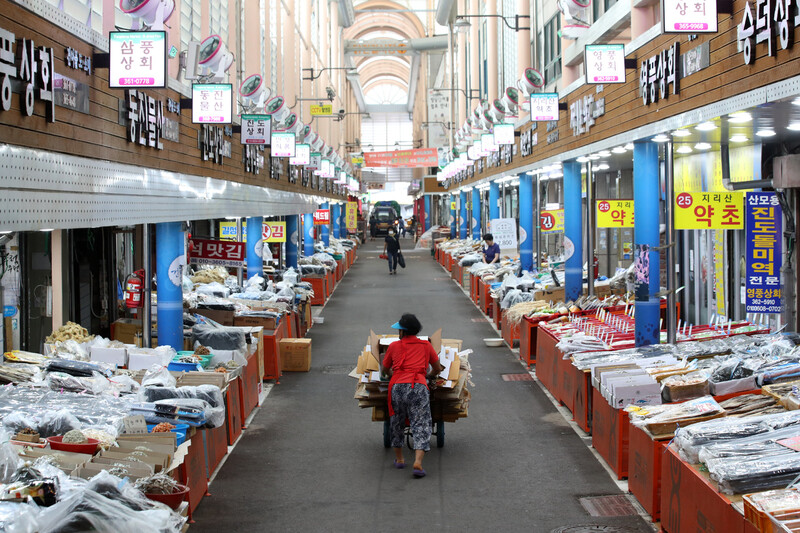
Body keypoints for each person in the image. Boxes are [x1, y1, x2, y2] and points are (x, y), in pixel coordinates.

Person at [380, 314, 445, 478]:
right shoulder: (425, 346)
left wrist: (390, 374)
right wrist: (428, 376)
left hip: (397, 387)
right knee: (421, 423)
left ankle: (400, 459)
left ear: (402, 332)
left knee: (396, 421)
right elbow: (437, 368)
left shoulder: (394, 346)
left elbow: (384, 370)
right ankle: (418, 462)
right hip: (418, 386)